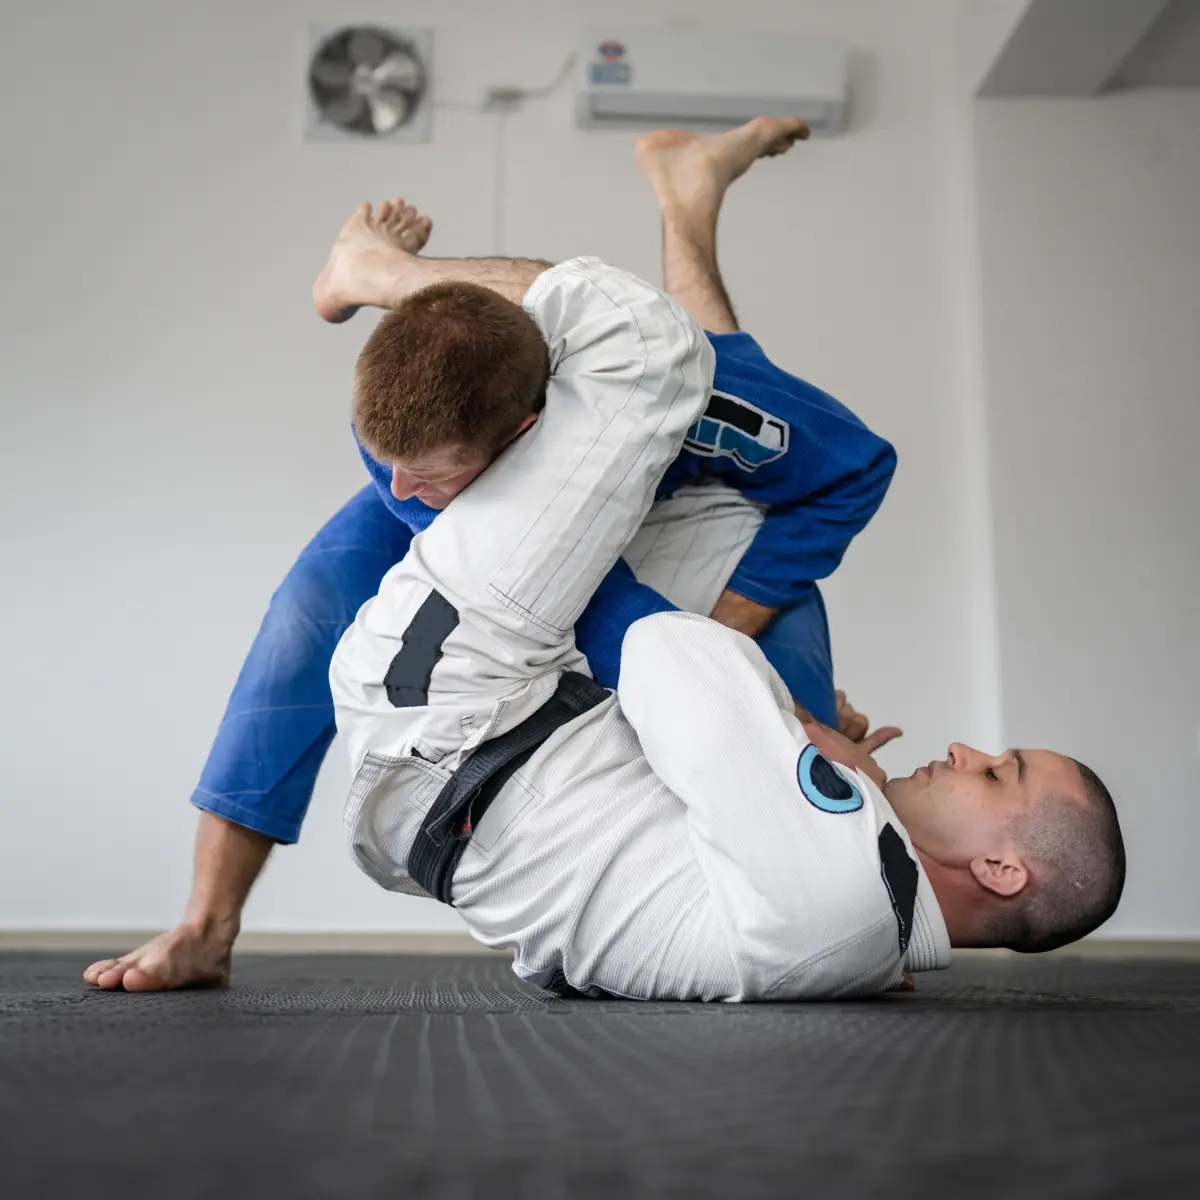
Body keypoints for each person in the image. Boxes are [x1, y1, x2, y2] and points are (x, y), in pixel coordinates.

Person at [84, 117, 900, 992]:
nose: (398, 489)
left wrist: (742, 663)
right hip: (505, 451)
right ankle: (205, 925)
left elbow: (856, 467)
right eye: (388, 464)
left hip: (691, 491)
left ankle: (870, 907)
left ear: (523, 435)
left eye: (426, 476)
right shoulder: (411, 447)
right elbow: (539, 586)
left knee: (768, 635)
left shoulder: (720, 410)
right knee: (308, 609)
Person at [324, 244, 1125, 999]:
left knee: (642, 342)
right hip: (443, 801)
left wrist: (794, 725)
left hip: (460, 695)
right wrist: (835, 772)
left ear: (1000, 869)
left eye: (996, 772)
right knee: (712, 509)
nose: (963, 748)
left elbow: (668, 658)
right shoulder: (858, 949)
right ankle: (466, 484)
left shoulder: (843, 882)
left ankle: (385, 274)